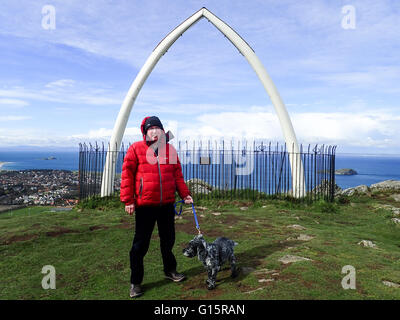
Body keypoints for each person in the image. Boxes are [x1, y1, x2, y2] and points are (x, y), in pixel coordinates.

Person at [120, 116, 193, 298]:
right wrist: (128, 200)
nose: (154, 131)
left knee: (168, 240)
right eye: (151, 128)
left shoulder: (169, 149)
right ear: (145, 132)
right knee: (140, 244)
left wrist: (185, 194)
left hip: (166, 204)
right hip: (145, 205)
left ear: (162, 131)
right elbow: (127, 175)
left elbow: (177, 176)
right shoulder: (136, 148)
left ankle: (170, 271)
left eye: (158, 128)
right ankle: (136, 282)